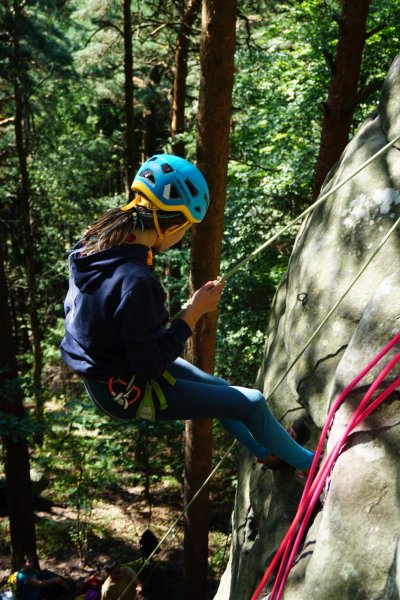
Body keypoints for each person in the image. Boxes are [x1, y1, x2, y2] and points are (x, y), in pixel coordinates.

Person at [60, 154, 314, 471]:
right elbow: (150, 366)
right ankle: (312, 466)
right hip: (124, 389)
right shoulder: (136, 283)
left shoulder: (98, 236)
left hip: (109, 366)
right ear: (174, 225)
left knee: (222, 392)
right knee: (251, 402)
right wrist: (194, 313)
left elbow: (86, 303)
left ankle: (269, 452)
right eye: (187, 228)